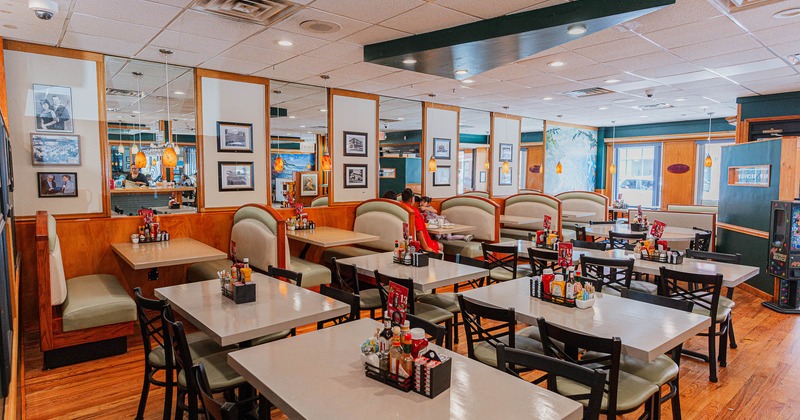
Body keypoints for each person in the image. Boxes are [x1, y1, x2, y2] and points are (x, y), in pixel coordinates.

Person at [401, 188, 440, 254]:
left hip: (404, 242)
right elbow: (419, 233)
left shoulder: (400, 207)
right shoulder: (413, 212)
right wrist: (426, 248)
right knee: (441, 246)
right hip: (418, 244)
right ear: (412, 199)